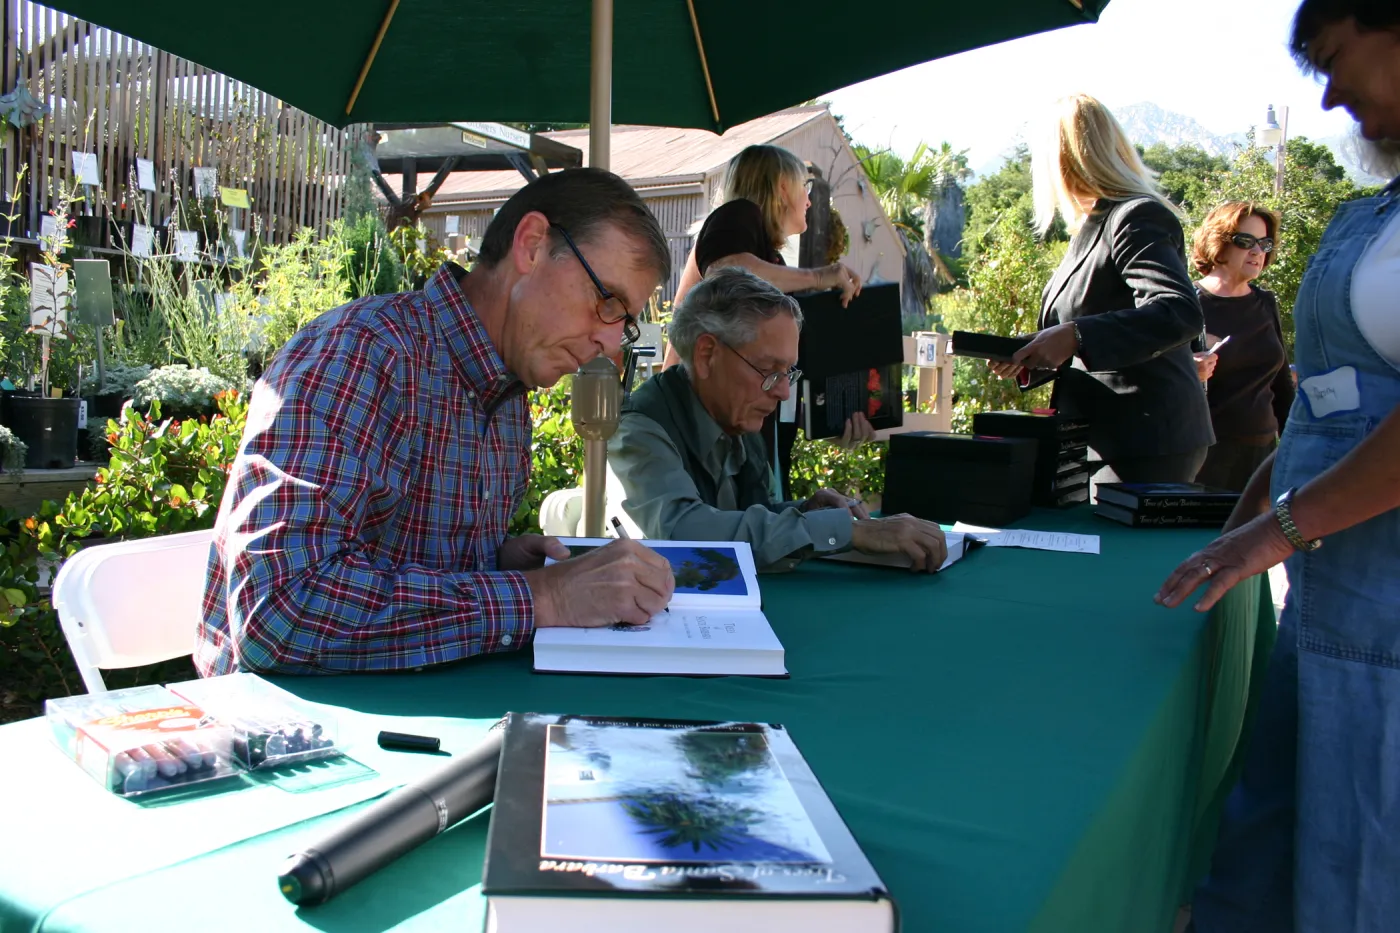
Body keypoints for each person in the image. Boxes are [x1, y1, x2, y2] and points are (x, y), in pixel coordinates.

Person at [197, 168, 679, 676]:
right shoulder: (360, 354)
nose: (609, 345)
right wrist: (544, 597)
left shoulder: (506, 385)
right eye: (608, 302)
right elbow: (278, 610)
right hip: (285, 738)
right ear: (532, 246)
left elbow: (395, 556)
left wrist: (497, 563)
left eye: (624, 323)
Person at [1157, 2, 1400, 929]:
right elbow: (1335, 400)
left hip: (1386, 630)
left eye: (1340, 60)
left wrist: (1281, 526)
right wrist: (1260, 501)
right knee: (1267, 851)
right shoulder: (1373, 212)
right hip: (1328, 610)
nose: (1333, 94)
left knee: (1362, 870)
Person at [610, 267, 948, 571]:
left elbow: (743, 521)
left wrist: (802, 512)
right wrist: (849, 530)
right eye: (770, 370)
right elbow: (683, 532)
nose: (784, 392)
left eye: (789, 372)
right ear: (707, 354)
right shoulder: (640, 427)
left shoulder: (738, 412)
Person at [989, 94, 1213, 484]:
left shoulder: (1136, 216)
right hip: (1102, 435)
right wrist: (1034, 353)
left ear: (1060, 159)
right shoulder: (1093, 226)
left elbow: (1178, 311)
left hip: (1145, 438)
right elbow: (1085, 331)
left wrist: (1076, 335)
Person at [664, 144, 874, 496]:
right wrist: (821, 277)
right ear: (781, 187)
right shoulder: (736, 216)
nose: (808, 200)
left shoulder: (769, 260)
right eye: (803, 188)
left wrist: (833, 420)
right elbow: (726, 270)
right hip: (701, 427)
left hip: (750, 436)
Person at [1189, 202, 1295, 491]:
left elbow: (1282, 384)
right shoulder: (1186, 303)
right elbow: (1155, 381)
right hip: (1203, 458)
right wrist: (1189, 371)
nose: (1257, 251)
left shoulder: (1265, 303)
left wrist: (1296, 451)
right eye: (1245, 241)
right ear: (1218, 244)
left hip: (1263, 457)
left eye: (1264, 243)